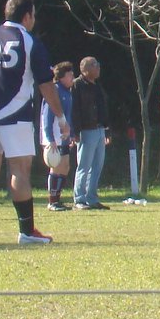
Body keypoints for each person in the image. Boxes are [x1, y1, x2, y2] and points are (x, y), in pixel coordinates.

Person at [0, 0, 69, 245]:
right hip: (16, 115)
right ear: (26, 16)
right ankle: (26, 231)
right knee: (19, 170)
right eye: (33, 15)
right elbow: (46, 84)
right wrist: (60, 117)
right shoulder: (29, 41)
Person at [71, 56, 109, 209]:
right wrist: (76, 130)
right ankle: (79, 199)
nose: (98, 67)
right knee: (84, 166)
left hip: (99, 129)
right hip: (86, 130)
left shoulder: (97, 86)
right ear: (85, 69)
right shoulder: (77, 85)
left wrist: (107, 129)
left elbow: (102, 108)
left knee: (97, 166)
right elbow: (74, 109)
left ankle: (92, 198)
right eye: (95, 65)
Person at [40, 61, 76, 213]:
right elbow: (47, 116)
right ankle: (52, 201)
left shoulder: (67, 92)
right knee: (56, 166)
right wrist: (50, 139)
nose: (73, 77)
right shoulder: (54, 91)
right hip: (54, 136)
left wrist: (72, 134)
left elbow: (68, 117)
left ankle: (58, 199)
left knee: (65, 166)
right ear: (61, 77)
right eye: (70, 75)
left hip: (64, 137)